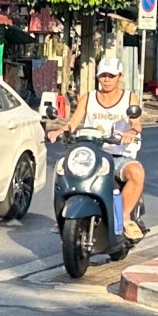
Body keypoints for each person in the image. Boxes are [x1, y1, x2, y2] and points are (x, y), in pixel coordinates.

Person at [62, 58, 146, 239]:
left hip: (118, 155)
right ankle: (63, 216)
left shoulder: (129, 97)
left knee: (136, 173)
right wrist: (60, 131)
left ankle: (123, 216)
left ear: (119, 77)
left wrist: (131, 131)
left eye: (111, 75)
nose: (107, 79)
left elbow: (136, 123)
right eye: (103, 75)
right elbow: (73, 122)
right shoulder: (89, 97)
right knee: (63, 170)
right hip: (93, 154)